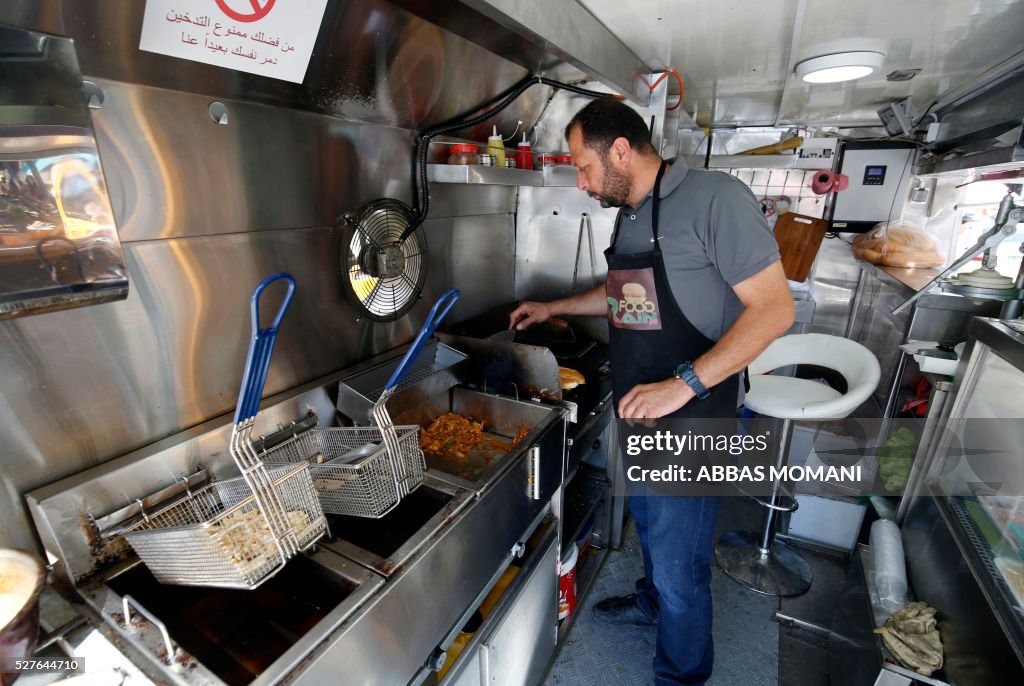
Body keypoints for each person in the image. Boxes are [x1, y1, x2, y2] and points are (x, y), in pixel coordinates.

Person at [508, 98, 794, 685]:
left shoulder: (716, 199)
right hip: (642, 409)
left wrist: (681, 385)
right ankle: (650, 603)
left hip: (692, 419)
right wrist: (553, 307)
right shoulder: (632, 211)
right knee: (655, 533)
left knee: (681, 565)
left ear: (620, 150)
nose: (581, 182)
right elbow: (625, 297)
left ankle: (682, 675)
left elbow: (774, 311)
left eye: (584, 167)